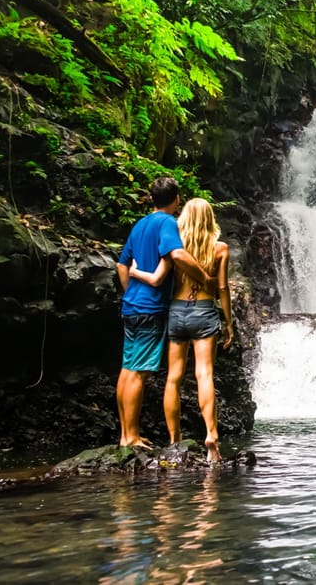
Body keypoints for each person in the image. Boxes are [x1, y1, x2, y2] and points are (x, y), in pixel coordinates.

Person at [129, 198, 234, 462]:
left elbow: (159, 276)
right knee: (204, 374)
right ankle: (211, 436)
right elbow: (222, 288)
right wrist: (229, 322)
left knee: (173, 378)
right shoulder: (220, 249)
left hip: (176, 311)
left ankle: (174, 440)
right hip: (204, 310)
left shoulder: (176, 247)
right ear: (210, 219)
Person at [115, 177, 214, 449]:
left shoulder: (140, 224)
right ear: (176, 199)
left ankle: (125, 434)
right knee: (139, 373)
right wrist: (205, 277)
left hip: (132, 307)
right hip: (151, 308)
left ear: (150, 199)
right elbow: (179, 255)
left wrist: (130, 293)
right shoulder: (167, 223)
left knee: (127, 369)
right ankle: (132, 437)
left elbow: (121, 266)